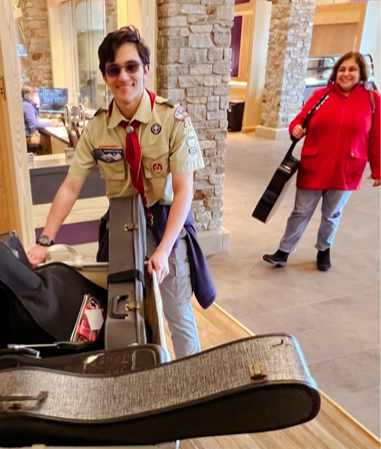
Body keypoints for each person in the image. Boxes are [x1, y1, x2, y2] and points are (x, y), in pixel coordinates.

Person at [27, 26, 216, 359]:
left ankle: (191, 384)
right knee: (123, 311)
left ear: (145, 69)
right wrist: (44, 242)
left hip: (165, 223)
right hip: (122, 227)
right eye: (114, 69)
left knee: (177, 314)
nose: (123, 76)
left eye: (131, 67)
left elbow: (185, 191)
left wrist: (165, 250)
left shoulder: (174, 120)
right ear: (105, 76)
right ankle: (139, 374)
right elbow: (71, 187)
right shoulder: (97, 127)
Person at [263, 51, 380, 271]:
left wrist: (377, 168)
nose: (346, 74)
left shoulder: (372, 100)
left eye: (352, 69)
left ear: (361, 72)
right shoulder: (321, 95)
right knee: (300, 211)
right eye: (342, 69)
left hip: (348, 167)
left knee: (332, 214)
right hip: (315, 164)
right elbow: (300, 120)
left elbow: (376, 137)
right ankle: (283, 251)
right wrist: (295, 129)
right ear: (336, 72)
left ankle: (323, 249)